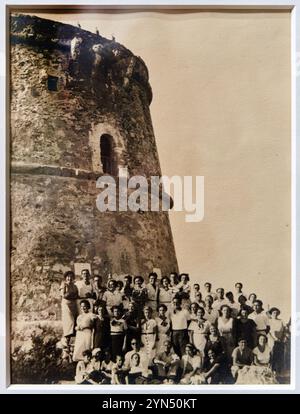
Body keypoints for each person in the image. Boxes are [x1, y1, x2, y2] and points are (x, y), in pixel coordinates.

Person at [60, 271, 78, 348]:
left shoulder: (75, 286)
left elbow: (76, 295)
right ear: (66, 278)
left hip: (73, 304)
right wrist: (70, 295)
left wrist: (71, 295)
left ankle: (72, 341)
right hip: (66, 305)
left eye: (71, 277)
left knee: (74, 320)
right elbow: (63, 295)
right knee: (69, 321)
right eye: (68, 277)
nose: (69, 278)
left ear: (73, 278)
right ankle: (66, 338)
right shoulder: (64, 285)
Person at [268, 307, 285, 374]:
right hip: (271, 339)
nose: (275, 314)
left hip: (279, 340)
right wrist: (273, 338)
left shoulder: (281, 321)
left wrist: (281, 338)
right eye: (274, 312)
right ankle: (271, 369)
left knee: (279, 354)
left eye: (276, 313)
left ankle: (278, 370)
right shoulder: (269, 321)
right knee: (272, 354)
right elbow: (268, 331)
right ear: (271, 313)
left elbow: (283, 331)